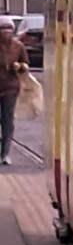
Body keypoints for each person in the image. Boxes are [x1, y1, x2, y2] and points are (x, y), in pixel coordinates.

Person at [0, 17, 27, 166]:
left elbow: (26, 65)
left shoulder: (18, 47)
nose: (6, 33)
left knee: (7, 120)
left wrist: (20, 66)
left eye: (9, 29)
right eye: (3, 29)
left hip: (10, 88)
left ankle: (5, 153)